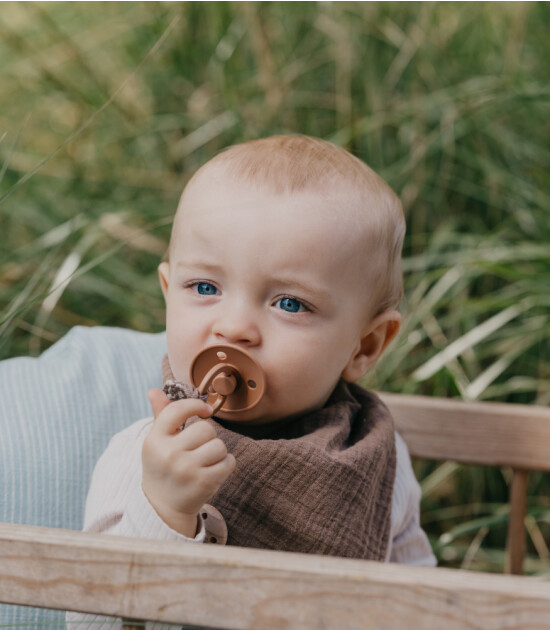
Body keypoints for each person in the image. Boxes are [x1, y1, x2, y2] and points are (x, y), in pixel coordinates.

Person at [67, 135, 435, 628]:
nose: (234, 327)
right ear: (168, 292)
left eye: (290, 303)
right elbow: (92, 620)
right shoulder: (145, 458)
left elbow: (418, 597)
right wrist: (165, 511)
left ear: (364, 346)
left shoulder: (375, 458)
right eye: (204, 288)